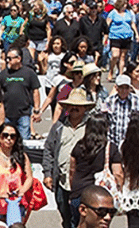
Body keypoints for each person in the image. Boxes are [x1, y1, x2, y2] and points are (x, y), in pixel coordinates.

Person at [42, 88, 93, 228]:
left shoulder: (91, 127)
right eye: (72, 105)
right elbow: (48, 150)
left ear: (85, 108)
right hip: (62, 182)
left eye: (78, 106)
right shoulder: (58, 127)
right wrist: (47, 174)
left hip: (84, 182)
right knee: (66, 216)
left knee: (83, 218)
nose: (74, 108)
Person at [70, 113, 123, 227]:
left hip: (78, 191)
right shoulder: (110, 148)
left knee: (77, 223)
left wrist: (72, 190)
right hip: (100, 197)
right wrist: (120, 189)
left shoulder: (79, 146)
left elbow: (72, 170)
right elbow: (118, 173)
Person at [0, 123, 33, 221]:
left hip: (17, 204)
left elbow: (29, 178)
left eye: (12, 136)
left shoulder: (22, 156)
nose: (9, 139)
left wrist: (22, 191)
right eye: (5, 135)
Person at [0, 47, 41, 140]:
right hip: (8, 114)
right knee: (8, 140)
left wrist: (36, 109)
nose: (8, 60)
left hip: (24, 113)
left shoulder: (29, 73)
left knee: (24, 140)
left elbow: (35, 91)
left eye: (10, 58)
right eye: (7, 58)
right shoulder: (3, 74)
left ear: (19, 58)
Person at [103, 74, 139, 146]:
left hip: (131, 143)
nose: (124, 91)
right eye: (121, 88)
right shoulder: (108, 101)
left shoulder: (136, 100)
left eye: (126, 88)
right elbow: (103, 120)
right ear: (116, 88)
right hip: (113, 142)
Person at [106, 0, 139, 81]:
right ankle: (111, 70)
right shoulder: (113, 13)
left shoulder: (128, 13)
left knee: (123, 56)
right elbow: (107, 23)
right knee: (115, 55)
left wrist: (136, 33)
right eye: (124, 4)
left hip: (127, 36)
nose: (125, 6)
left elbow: (132, 23)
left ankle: (120, 74)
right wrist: (105, 35)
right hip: (115, 36)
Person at [78, 2, 109, 66]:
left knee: (98, 66)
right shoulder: (83, 20)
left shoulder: (101, 20)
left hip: (98, 45)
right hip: (87, 46)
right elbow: (80, 33)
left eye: (95, 8)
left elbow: (106, 32)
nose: (94, 10)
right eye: (92, 8)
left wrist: (103, 41)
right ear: (89, 9)